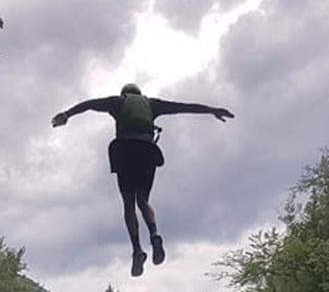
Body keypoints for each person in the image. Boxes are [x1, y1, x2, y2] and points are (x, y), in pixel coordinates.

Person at [51, 84, 234, 277]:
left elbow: (90, 104)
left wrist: (67, 114)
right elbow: (183, 107)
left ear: (125, 94)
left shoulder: (117, 102)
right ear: (140, 94)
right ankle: (154, 235)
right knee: (143, 200)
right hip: (147, 150)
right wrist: (212, 110)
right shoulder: (152, 104)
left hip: (124, 150)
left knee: (128, 203)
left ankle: (137, 249)